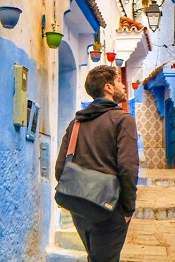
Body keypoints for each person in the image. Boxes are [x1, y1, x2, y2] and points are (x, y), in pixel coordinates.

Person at [55, 65, 139, 261]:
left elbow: (60, 168)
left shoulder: (75, 124)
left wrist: (79, 196)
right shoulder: (123, 120)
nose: (123, 86)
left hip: (80, 207)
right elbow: (128, 168)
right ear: (108, 87)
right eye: (119, 81)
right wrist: (127, 210)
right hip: (110, 209)